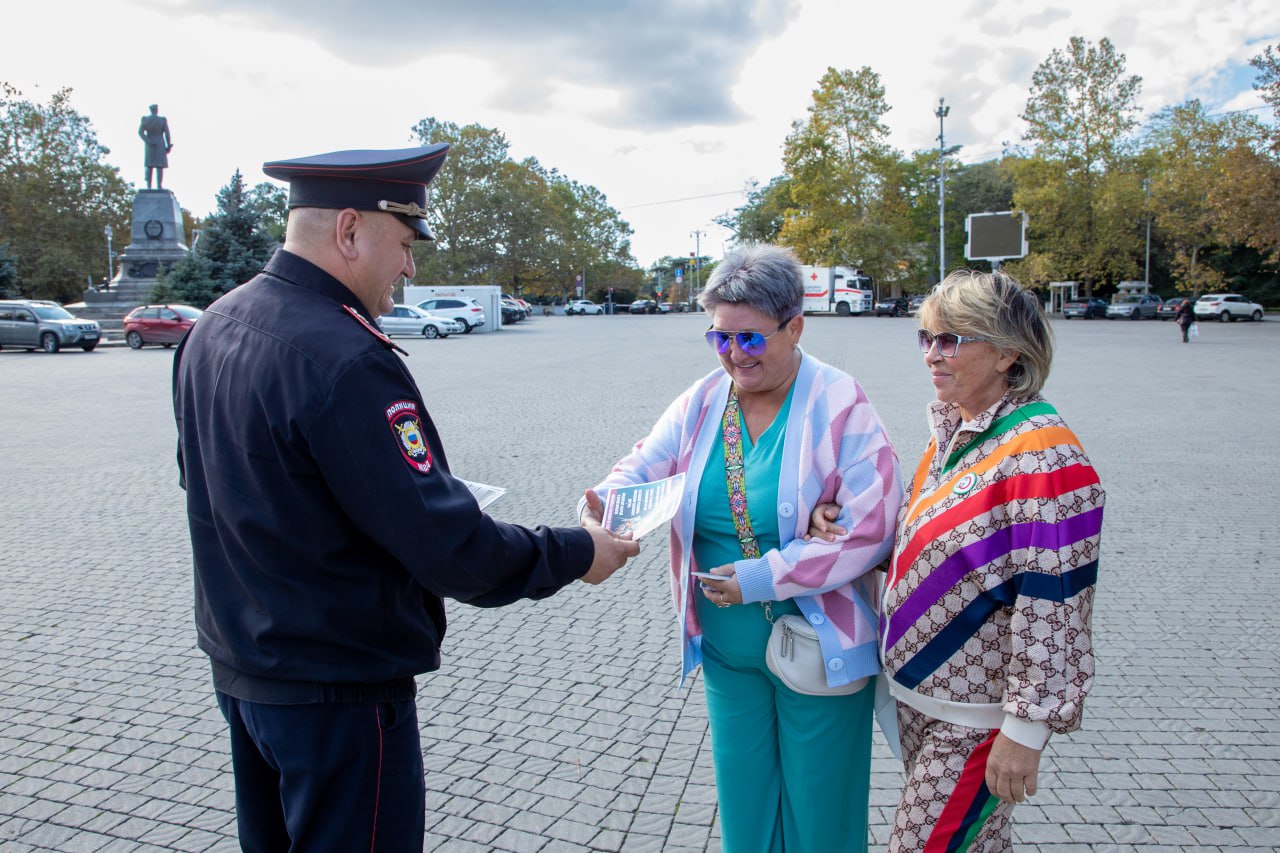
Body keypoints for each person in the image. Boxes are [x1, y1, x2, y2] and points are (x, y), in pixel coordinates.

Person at [171, 145, 639, 852]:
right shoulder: (346, 357)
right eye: (406, 243)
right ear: (350, 231)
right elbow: (450, 548)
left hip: (245, 674)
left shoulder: (213, 325)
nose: (411, 268)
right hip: (337, 695)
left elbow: (211, 484)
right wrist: (578, 552)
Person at [581, 244, 902, 852]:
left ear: (795, 327)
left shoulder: (840, 401)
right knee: (745, 807)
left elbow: (869, 528)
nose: (734, 354)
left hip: (821, 649)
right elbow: (644, 464)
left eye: (750, 338)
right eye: (720, 338)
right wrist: (602, 506)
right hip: (728, 653)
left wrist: (761, 577)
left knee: (822, 813)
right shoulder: (703, 400)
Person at [811, 270, 1105, 851]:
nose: (931, 355)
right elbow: (927, 545)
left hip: (977, 721)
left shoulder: (1043, 454)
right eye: (926, 338)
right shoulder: (956, 430)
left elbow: (1056, 604)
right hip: (924, 701)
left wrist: (1026, 729)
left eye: (950, 340)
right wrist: (843, 520)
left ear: (1007, 353)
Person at [138, 104, 173, 189]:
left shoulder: (145, 119)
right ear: (156, 110)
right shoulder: (162, 120)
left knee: (150, 165)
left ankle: (149, 186)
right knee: (159, 166)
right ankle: (159, 186)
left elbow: (140, 132)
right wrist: (168, 145)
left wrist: (147, 140)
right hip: (159, 143)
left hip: (149, 144)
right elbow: (167, 134)